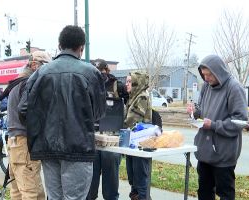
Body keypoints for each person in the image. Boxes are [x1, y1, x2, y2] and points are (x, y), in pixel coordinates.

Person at [18, 25, 106, 200]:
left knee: (55, 197)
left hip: (47, 148)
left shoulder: (40, 73)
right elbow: (99, 112)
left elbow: (23, 110)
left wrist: (40, 132)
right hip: (78, 149)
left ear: (59, 45)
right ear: (82, 48)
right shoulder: (91, 73)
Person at [187, 55, 248, 200]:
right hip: (204, 152)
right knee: (204, 192)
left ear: (218, 71)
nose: (206, 78)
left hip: (223, 154)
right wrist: (194, 113)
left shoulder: (234, 88)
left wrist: (214, 125)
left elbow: (240, 121)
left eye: (209, 74)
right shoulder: (206, 87)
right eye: (204, 75)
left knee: (225, 194)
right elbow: (202, 110)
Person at [7, 50, 52, 200]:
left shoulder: (17, 81)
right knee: (31, 193)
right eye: (45, 66)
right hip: (25, 143)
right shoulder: (29, 83)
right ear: (34, 65)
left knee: (19, 191)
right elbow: (27, 112)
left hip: (15, 143)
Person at [87, 59, 128, 200]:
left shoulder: (118, 86)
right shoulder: (88, 85)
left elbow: (128, 108)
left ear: (107, 70)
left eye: (101, 71)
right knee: (90, 185)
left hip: (111, 139)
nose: (99, 75)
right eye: (96, 72)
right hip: (93, 138)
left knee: (110, 184)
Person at [124, 71, 152, 200]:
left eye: (130, 81)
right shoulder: (133, 96)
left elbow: (131, 120)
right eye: (126, 81)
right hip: (132, 143)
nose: (126, 84)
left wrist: (115, 123)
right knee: (133, 180)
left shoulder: (142, 97)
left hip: (141, 144)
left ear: (137, 83)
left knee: (140, 182)